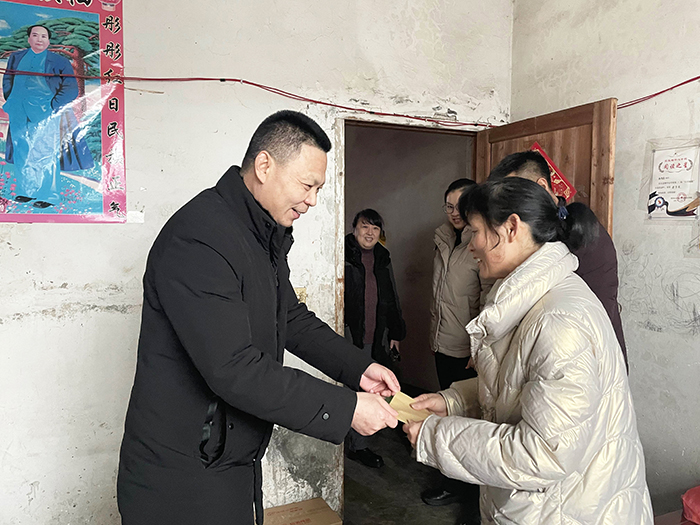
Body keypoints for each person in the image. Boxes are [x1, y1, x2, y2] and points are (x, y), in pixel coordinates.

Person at [117, 111, 400, 525]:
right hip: (182, 475)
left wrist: (360, 368)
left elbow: (292, 318)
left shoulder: (259, 235)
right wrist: (345, 409)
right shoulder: (200, 238)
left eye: (319, 189)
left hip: (228, 457)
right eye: (307, 185)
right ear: (265, 166)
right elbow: (234, 368)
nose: (312, 201)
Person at [404, 177, 653, 524]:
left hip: (568, 512)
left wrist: (435, 437)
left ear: (511, 228)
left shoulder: (559, 320)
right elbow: (525, 383)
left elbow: (544, 453)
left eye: (476, 232)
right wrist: (455, 402)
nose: (471, 246)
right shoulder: (535, 295)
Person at [488, 150, 628, 371]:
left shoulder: (575, 233)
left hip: (586, 357)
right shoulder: (538, 231)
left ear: (542, 186)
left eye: (515, 193)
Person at [421, 178, 482, 525]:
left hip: (468, 348)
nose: (454, 212)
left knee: (466, 418)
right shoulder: (443, 238)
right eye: (448, 205)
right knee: (448, 413)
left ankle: (464, 488)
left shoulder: (481, 241)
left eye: (461, 206)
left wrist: (479, 345)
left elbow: (488, 300)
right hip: (442, 340)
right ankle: (453, 479)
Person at [2, 24, 93, 208]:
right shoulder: (16, 57)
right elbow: (8, 80)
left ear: (49, 41)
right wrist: (12, 99)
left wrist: (52, 106)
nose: (39, 39)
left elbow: (70, 89)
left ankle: (49, 195)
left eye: (43, 36)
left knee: (45, 153)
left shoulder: (59, 61)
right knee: (22, 151)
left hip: (46, 112)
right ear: (29, 39)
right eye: (35, 35)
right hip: (18, 110)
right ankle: (26, 191)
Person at [344, 208, 406, 468]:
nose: (369, 233)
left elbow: (391, 295)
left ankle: (358, 446)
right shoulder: (343, 254)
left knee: (367, 390)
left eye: (375, 228)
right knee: (349, 389)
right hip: (348, 335)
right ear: (354, 229)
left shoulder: (382, 257)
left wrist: (396, 333)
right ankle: (345, 442)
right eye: (364, 226)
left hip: (376, 335)